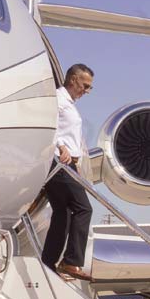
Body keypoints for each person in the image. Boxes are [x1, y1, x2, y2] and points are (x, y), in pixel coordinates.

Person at [41, 63, 94, 282]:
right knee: (84, 208)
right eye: (85, 85)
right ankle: (71, 261)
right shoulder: (57, 99)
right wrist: (61, 146)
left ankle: (48, 264)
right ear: (73, 79)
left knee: (62, 214)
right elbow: (45, 124)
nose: (87, 91)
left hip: (67, 164)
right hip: (59, 163)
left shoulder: (68, 103)